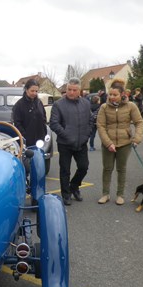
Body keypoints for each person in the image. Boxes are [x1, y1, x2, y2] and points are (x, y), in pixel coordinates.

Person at [96, 79, 143, 205]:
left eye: (115, 95)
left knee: (121, 169)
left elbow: (139, 122)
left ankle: (120, 195)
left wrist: (137, 138)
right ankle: (105, 194)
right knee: (107, 169)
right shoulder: (104, 107)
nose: (112, 97)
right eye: (110, 94)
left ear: (122, 94)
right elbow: (100, 126)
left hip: (125, 143)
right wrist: (108, 143)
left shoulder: (131, 106)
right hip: (108, 143)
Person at [50, 77, 92, 206]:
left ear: (80, 91)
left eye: (74, 90)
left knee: (83, 167)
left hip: (81, 142)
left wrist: (86, 135)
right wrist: (67, 136)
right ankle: (66, 194)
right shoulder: (58, 105)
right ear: (66, 89)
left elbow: (90, 121)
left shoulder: (86, 103)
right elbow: (54, 124)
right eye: (69, 89)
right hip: (65, 144)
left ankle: (74, 186)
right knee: (65, 170)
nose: (71, 92)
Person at [12, 79, 47, 147]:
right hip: (27, 142)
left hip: (40, 140)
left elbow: (44, 118)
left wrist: (44, 131)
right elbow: (17, 123)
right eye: (32, 91)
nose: (34, 93)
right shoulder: (19, 105)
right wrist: (25, 136)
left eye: (36, 91)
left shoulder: (39, 103)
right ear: (26, 89)